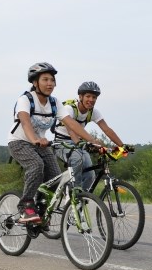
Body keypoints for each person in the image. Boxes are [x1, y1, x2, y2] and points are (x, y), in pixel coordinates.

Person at [8, 62, 104, 224]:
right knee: (36, 165)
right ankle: (26, 205)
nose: (50, 83)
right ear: (34, 82)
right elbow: (25, 122)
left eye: (52, 80)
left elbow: (71, 123)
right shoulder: (25, 99)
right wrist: (35, 140)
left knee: (55, 178)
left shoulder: (55, 103)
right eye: (45, 79)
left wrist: (93, 141)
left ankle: (41, 214)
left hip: (42, 144)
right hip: (20, 142)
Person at [53, 81, 126, 192]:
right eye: (88, 96)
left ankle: (82, 200)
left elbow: (107, 129)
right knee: (78, 159)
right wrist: (86, 142)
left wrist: (123, 146)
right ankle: (73, 194)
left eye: (94, 97)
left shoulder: (93, 112)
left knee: (90, 175)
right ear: (80, 97)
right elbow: (71, 130)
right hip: (62, 143)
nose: (91, 100)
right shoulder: (69, 109)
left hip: (80, 143)